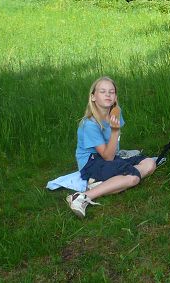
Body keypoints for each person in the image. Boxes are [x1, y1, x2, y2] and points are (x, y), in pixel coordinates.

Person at [66, 77, 157, 218]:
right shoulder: (89, 124)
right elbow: (107, 157)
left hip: (112, 156)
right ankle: (82, 197)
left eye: (111, 92)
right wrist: (115, 131)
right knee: (133, 177)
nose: (108, 95)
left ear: (115, 97)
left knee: (150, 163)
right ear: (93, 97)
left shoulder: (115, 113)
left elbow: (113, 152)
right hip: (91, 162)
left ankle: (105, 183)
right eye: (102, 91)